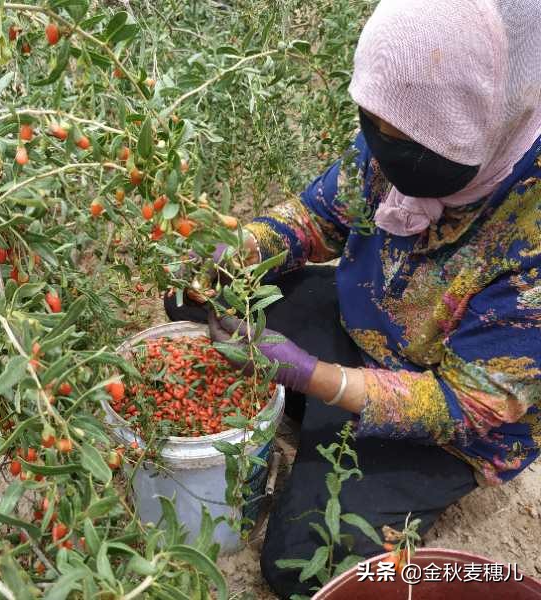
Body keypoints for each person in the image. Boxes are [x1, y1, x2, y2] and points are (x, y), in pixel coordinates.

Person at [166, 0, 541, 596]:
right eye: (376, 125)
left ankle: (323, 422)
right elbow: (320, 215)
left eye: (407, 140)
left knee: (299, 565)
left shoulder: (529, 231)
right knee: (197, 301)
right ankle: (312, 415)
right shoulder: (399, 128)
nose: (384, 149)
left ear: (484, 124)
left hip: (450, 423)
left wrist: (317, 377)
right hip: (366, 321)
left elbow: (472, 407)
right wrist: (243, 250)